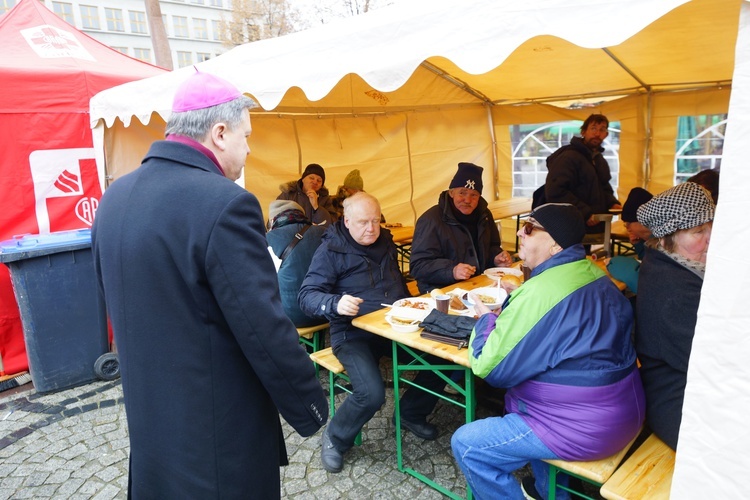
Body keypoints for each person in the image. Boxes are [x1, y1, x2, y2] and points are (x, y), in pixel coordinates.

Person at [91, 71, 328, 498]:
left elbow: (113, 299)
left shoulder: (115, 197)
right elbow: (263, 325)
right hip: (217, 430)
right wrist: (310, 403)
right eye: (246, 135)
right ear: (219, 133)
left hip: (151, 420)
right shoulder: (225, 204)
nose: (249, 147)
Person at [451, 203, 645, 500]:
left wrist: (486, 320)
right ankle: (552, 493)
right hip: (623, 411)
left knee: (468, 444)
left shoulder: (543, 293)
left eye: (529, 228)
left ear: (555, 244)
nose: (519, 231)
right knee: (525, 404)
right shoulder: (593, 273)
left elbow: (489, 368)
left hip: (581, 426)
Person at [298, 192, 445, 473]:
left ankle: (411, 413)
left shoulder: (385, 242)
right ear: (347, 220)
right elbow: (306, 296)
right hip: (353, 333)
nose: (372, 228)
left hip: (394, 325)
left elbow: (396, 283)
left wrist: (411, 304)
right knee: (371, 393)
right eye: (364, 222)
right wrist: (335, 302)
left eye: (376, 221)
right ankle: (336, 437)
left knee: (444, 357)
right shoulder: (332, 250)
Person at [635, 181, 715, 451]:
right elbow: (713, 365)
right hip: (681, 406)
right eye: (698, 231)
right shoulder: (674, 290)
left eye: (711, 226)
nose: (710, 238)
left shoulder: (672, 264)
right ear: (668, 238)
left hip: (692, 390)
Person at [409, 162, 512, 294]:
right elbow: (418, 266)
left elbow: (492, 245)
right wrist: (452, 271)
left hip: (478, 284)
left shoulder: (484, 215)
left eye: (473, 195)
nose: (467, 200)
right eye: (462, 193)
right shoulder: (430, 220)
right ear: (451, 193)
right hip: (442, 292)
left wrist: (496, 257)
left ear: (479, 196)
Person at [542, 114, 622, 234]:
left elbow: (603, 187)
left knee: (585, 253)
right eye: (593, 128)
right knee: (570, 253)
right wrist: (585, 213)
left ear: (606, 135)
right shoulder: (568, 157)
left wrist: (612, 203)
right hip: (568, 227)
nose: (597, 133)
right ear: (583, 132)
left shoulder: (599, 160)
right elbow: (555, 191)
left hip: (590, 227)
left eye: (602, 129)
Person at [266, 200, 328, 327]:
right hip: (326, 309)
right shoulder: (324, 232)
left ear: (273, 220)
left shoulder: (269, 238)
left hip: (291, 314)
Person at [605, 187, 653, 294]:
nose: (627, 228)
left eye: (628, 223)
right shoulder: (654, 239)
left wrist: (615, 263)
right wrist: (639, 244)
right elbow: (647, 260)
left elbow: (646, 283)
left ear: (642, 221)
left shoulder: (666, 240)